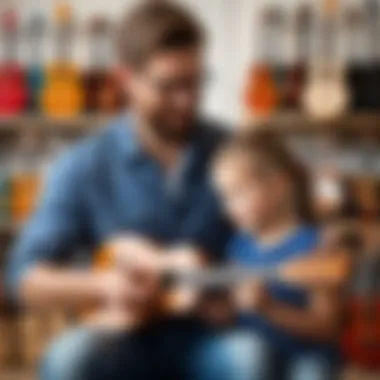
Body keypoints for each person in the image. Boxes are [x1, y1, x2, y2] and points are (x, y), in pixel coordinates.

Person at [5, 2, 258, 380]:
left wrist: (240, 294)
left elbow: (271, 244)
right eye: (169, 85)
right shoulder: (84, 165)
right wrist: (105, 285)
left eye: (195, 82)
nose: (186, 100)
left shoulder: (233, 152)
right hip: (119, 334)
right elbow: (23, 278)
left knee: (251, 358)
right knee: (67, 361)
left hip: (208, 336)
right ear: (127, 80)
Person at [212, 132, 344, 380]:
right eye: (225, 196)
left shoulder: (316, 246)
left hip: (307, 356)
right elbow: (234, 314)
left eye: (238, 193)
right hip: (257, 361)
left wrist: (269, 307)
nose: (229, 207)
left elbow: (328, 326)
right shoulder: (237, 248)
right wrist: (217, 311)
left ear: (277, 186)